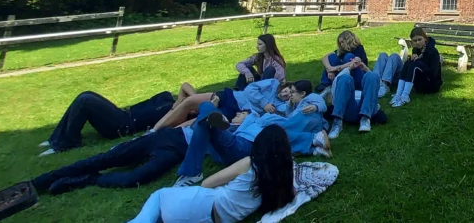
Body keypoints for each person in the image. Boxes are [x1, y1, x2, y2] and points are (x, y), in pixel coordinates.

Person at [127, 125, 295, 223]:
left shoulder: (249, 163)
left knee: (159, 195)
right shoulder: (282, 176)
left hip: (204, 205)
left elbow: (206, 183)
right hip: (217, 218)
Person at [174, 84, 330, 187]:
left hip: (243, 145)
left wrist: (315, 106)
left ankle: (192, 172)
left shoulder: (272, 117)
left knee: (207, 110)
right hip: (227, 145)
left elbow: (317, 102)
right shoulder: (264, 114)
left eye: (292, 93)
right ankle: (214, 118)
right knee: (205, 119)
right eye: (287, 91)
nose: (288, 95)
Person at [32, 127, 192, 195]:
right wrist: (153, 131)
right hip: (167, 136)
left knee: (135, 178)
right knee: (105, 159)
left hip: (176, 150)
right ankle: (38, 183)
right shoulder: (209, 102)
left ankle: (88, 179)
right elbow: (189, 104)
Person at [38, 90, 176, 156]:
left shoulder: (175, 111)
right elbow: (183, 88)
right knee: (85, 94)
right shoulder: (169, 99)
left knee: (85, 100)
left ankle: (66, 143)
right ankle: (57, 138)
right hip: (123, 113)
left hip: (122, 125)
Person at [151, 78, 288, 132]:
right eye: (288, 90)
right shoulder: (273, 84)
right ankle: (153, 130)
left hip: (235, 110)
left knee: (199, 120)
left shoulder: (282, 105)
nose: (286, 94)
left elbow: (285, 115)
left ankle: (164, 132)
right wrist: (264, 103)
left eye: (290, 95)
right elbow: (250, 89)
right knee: (189, 101)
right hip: (230, 96)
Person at [390, 27, 442, 108]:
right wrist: (412, 60)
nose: (417, 42)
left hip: (432, 84)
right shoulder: (415, 50)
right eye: (415, 41)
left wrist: (419, 62)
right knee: (408, 63)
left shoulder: (432, 51)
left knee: (414, 64)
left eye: (419, 39)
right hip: (419, 85)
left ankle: (405, 96)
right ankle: (398, 94)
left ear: (425, 39)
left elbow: (433, 73)